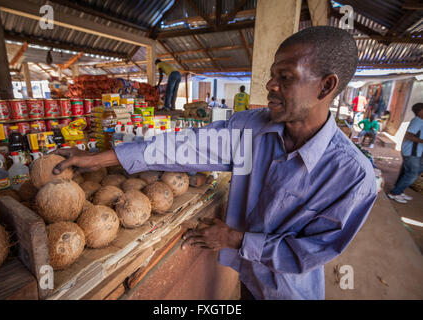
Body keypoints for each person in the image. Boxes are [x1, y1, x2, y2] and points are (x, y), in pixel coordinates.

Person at [53, 26, 377, 300]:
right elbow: (186, 146)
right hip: (249, 277)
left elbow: (309, 252)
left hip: (288, 291)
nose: (270, 86)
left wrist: (234, 239)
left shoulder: (351, 176)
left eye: (286, 77)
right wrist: (101, 157)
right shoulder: (252, 128)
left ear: (326, 85)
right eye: (272, 74)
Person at [388, 103, 423, 204]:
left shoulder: (420, 121)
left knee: (408, 171)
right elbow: (408, 135)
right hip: (411, 152)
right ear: (420, 111)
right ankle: (395, 193)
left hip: (414, 152)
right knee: (413, 173)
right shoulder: (418, 120)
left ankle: (399, 191)